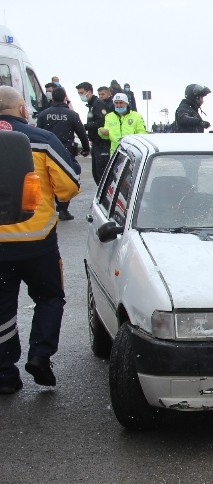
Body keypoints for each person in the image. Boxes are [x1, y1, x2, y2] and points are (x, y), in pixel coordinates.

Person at [0, 85, 81, 393]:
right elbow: (69, 186)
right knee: (49, 298)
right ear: (23, 110)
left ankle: (4, 374)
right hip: (37, 242)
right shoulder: (42, 140)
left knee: (2, 309)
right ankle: (40, 355)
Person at [35, 87, 89, 219]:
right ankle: (63, 209)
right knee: (65, 179)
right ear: (65, 98)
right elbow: (82, 133)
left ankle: (49, 207)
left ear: (52, 99)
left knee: (47, 179)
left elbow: (38, 132)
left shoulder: (44, 114)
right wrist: (86, 148)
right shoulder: (72, 115)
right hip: (66, 151)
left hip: (47, 151)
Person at [76, 81, 110, 184]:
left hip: (102, 143)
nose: (80, 95)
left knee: (101, 174)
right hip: (95, 143)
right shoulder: (92, 105)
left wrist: (85, 126)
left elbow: (101, 121)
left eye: (82, 93)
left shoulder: (98, 104)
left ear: (89, 92)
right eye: (79, 93)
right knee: (96, 173)